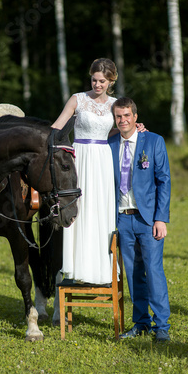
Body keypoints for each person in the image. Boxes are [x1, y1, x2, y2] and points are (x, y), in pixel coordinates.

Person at [52, 58, 144, 285]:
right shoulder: (77, 99)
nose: (97, 84)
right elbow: (56, 127)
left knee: (100, 209)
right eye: (94, 79)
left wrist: (136, 127)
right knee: (79, 208)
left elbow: (119, 128)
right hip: (80, 156)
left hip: (103, 159)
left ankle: (102, 270)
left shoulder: (115, 104)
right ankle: (75, 266)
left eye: (102, 81)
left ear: (111, 81)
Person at [108, 97, 171, 342]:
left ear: (135, 117)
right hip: (123, 219)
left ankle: (162, 325)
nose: (123, 120)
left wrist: (160, 219)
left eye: (127, 116)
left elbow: (163, 181)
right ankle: (141, 323)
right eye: (118, 116)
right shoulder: (110, 143)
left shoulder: (154, 141)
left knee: (153, 271)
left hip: (148, 220)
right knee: (133, 274)